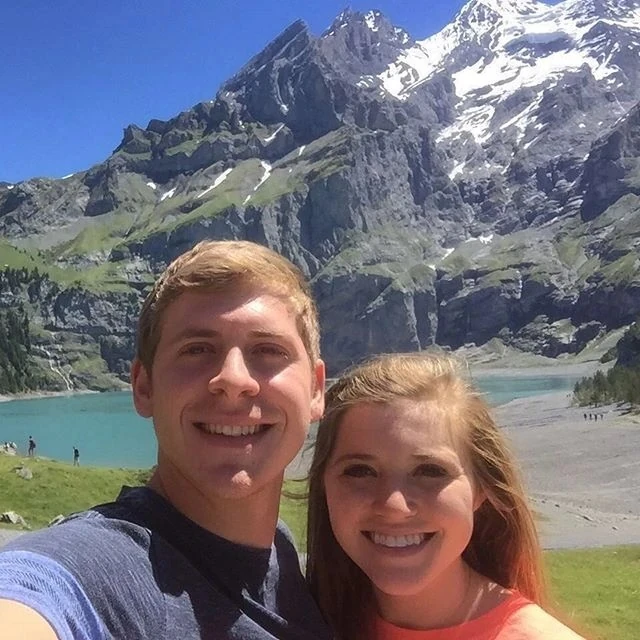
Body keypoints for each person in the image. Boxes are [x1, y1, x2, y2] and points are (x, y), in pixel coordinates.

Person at [0, 240, 330, 640]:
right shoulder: (106, 569)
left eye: (268, 350)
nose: (233, 379)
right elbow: (34, 594)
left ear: (316, 390)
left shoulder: (286, 555)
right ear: (144, 386)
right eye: (197, 349)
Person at [306, 352, 586, 639]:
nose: (394, 505)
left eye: (430, 471)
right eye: (360, 471)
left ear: (482, 489)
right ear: (324, 486)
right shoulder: (300, 623)